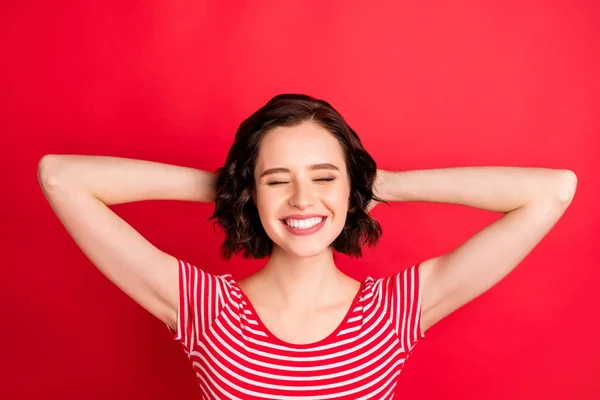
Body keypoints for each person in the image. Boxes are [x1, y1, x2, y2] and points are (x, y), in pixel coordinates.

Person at [38, 93, 577, 399]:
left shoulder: (394, 312)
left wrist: (381, 185)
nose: (301, 199)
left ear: (350, 187)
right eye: (278, 180)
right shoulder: (202, 307)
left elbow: (552, 191)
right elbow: (61, 178)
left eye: (323, 177)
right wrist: (236, 188)